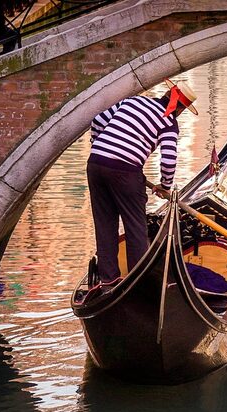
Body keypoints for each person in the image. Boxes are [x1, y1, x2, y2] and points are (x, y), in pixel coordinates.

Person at [86, 79, 197, 285]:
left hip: (95, 163)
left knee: (105, 224)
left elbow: (98, 120)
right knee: (135, 227)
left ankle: (108, 280)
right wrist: (164, 185)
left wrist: (100, 144)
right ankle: (140, 283)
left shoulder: (133, 101)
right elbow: (169, 160)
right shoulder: (169, 123)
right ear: (180, 108)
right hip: (126, 171)